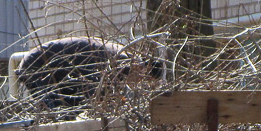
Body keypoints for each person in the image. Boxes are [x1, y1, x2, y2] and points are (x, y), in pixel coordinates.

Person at [15, 36, 162, 111]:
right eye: (145, 79)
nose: (139, 83)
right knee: (57, 115)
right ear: (143, 68)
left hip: (59, 72)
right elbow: (93, 90)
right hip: (38, 66)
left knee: (70, 108)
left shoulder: (123, 59)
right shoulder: (120, 61)